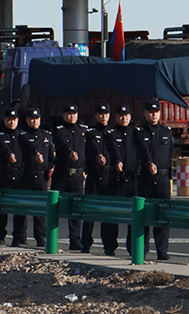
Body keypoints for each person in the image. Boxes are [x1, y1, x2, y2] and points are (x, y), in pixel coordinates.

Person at [133, 100, 173, 261]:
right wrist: (149, 163)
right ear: (144, 114)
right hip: (146, 179)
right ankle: (142, 251)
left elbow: (170, 154)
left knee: (163, 215)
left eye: (156, 112)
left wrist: (169, 175)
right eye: (150, 112)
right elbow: (142, 151)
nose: (154, 115)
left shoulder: (166, 132)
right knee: (144, 216)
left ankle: (162, 251)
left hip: (162, 179)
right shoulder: (139, 132)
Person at [51, 104, 88, 252]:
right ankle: (51, 238)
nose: (72, 116)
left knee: (76, 208)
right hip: (61, 174)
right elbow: (61, 144)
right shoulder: (59, 130)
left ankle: (75, 240)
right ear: (64, 115)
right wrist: (69, 152)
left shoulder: (83, 130)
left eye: (74, 114)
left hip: (77, 176)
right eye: (69, 114)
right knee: (55, 207)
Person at [102, 103, 136, 256]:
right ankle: (109, 246)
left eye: (126, 116)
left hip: (133, 180)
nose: (124, 119)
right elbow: (113, 150)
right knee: (112, 215)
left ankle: (133, 248)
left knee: (134, 216)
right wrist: (118, 161)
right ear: (116, 117)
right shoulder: (111, 134)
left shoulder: (135, 133)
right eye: (121, 116)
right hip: (116, 180)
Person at [19, 107, 55, 248]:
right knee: (23, 208)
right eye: (32, 119)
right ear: (27, 120)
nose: (34, 121)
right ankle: (20, 236)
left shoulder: (46, 135)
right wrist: (35, 153)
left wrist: (49, 169)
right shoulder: (23, 136)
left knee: (41, 210)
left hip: (41, 178)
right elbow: (27, 146)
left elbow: (51, 155)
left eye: (37, 119)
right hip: (27, 176)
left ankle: (41, 238)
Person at [81, 104, 112, 254]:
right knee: (90, 212)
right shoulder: (91, 132)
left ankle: (109, 245)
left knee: (107, 213)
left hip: (109, 176)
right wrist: (98, 155)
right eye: (100, 114)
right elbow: (93, 148)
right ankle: (86, 243)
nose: (103, 117)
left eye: (106, 114)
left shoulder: (113, 133)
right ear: (96, 116)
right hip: (94, 175)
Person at [0, 107, 24, 246]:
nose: (12, 122)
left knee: (19, 208)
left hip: (19, 176)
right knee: (3, 208)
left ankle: (18, 236)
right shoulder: (0, 135)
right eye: (9, 120)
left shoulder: (22, 136)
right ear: (4, 120)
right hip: (5, 175)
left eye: (14, 120)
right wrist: (9, 154)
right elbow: (2, 148)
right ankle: (1, 235)